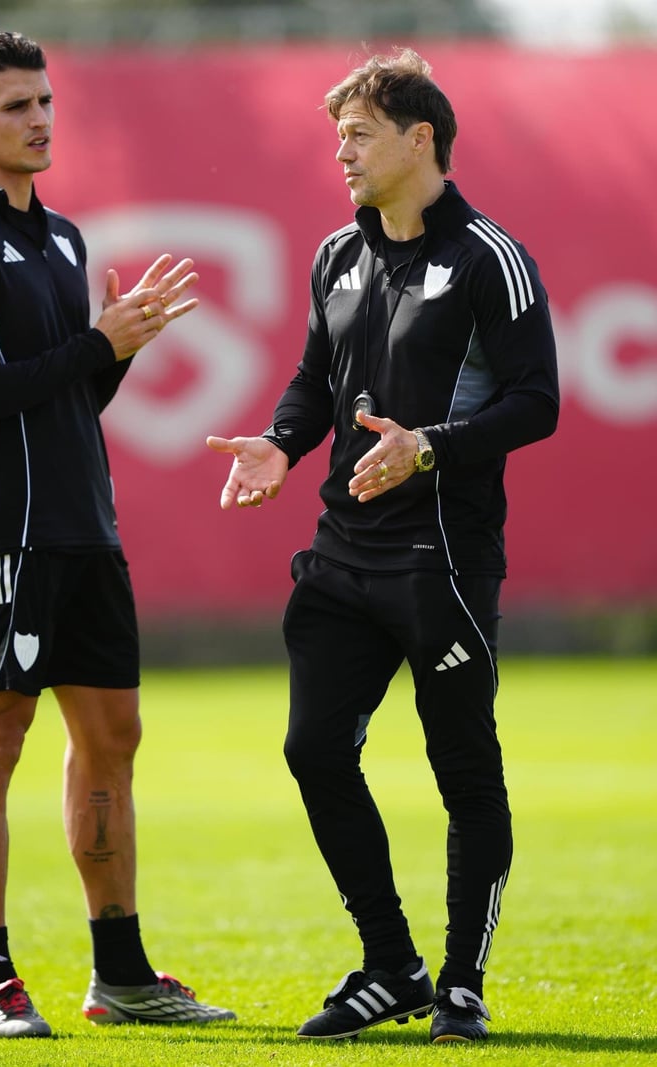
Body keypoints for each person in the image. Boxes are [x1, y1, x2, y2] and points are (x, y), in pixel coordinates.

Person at [208, 49, 558, 1044]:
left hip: (441, 558)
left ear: (420, 139)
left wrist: (427, 446)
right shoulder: (336, 254)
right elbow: (313, 380)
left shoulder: (488, 257)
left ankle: (461, 981)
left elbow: (537, 401)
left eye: (358, 135)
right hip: (341, 553)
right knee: (312, 749)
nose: (343, 154)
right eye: (338, 138)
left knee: (463, 769)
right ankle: (390, 962)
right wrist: (280, 444)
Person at [0, 30, 236, 1039]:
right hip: (0, 529)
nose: (39, 120)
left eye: (45, 101)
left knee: (113, 737)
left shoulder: (63, 238)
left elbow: (69, 400)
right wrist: (98, 341)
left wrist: (115, 350)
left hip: (84, 521)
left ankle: (121, 973)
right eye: (15, 106)